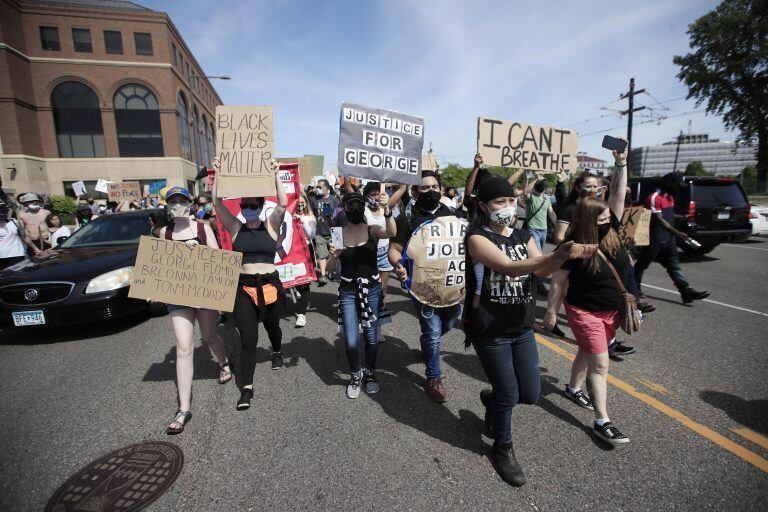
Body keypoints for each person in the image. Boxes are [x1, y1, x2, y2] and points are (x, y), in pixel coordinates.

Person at [465, 175, 596, 486]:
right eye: (500, 202)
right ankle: (502, 447)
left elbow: (539, 269)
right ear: (484, 206)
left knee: (530, 394)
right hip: (491, 328)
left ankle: (494, 400)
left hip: (521, 327)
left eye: (511, 200)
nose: (508, 207)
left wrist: (558, 257)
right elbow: (508, 268)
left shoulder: (523, 235)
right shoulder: (477, 238)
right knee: (510, 393)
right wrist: (557, 254)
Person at [544, 194, 634, 445]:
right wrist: (551, 312)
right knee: (600, 364)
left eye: (608, 217)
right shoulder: (574, 247)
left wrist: (622, 163)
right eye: (602, 219)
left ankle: (573, 388)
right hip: (585, 312)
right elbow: (557, 281)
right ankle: (602, 421)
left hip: (612, 311)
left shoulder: (612, 234)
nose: (608, 221)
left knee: (587, 350)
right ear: (588, 222)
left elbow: (617, 196)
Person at [156, 186, 231, 435]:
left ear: (190, 203)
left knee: (208, 337)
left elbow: (217, 257)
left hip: (203, 291)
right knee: (184, 346)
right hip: (178, 295)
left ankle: (224, 362)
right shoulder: (164, 233)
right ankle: (184, 408)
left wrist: (198, 250)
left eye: (182, 200)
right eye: (173, 201)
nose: (177, 204)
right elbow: (158, 265)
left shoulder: (201, 228)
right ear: (167, 205)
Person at [214, 158, 287, 410]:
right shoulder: (235, 227)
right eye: (244, 205)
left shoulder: (271, 225)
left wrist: (276, 174)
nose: (248, 208)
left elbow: (284, 203)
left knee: (272, 327)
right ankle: (247, 388)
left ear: (261, 205)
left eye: (253, 204)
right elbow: (217, 204)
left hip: (269, 286)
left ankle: (277, 350)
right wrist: (218, 173)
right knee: (248, 337)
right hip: (243, 288)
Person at [389, 171, 463, 403]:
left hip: (452, 287)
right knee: (431, 331)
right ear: (415, 192)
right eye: (424, 188)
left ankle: (429, 345)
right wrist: (398, 265)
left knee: (449, 322)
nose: (430, 191)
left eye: (434, 187)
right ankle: (434, 377)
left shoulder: (452, 215)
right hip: (422, 286)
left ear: (440, 189)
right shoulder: (407, 219)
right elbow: (395, 249)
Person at [331, 191, 396, 398]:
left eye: (359, 204)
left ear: (365, 207)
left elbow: (392, 232)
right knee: (351, 339)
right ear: (344, 209)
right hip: (348, 291)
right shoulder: (338, 233)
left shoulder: (373, 230)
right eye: (350, 205)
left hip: (373, 290)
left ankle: (369, 373)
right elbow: (331, 267)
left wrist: (387, 211)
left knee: (371, 336)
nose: (355, 208)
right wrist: (334, 256)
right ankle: (355, 374)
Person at [634, 173, 709, 304]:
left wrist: (681, 217)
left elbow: (667, 214)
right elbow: (660, 220)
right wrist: (678, 233)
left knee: (674, 266)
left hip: (668, 240)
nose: (678, 188)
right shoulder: (654, 198)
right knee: (641, 266)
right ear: (669, 183)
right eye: (677, 185)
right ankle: (634, 289)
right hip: (653, 240)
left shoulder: (670, 197)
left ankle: (686, 291)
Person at [363, 181, 407, 341]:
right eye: (372, 194)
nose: (375, 197)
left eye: (377, 194)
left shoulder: (385, 206)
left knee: (382, 291)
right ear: (366, 196)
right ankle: (366, 322)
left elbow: (402, 188)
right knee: (366, 291)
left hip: (383, 254)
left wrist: (394, 180)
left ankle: (378, 328)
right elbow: (348, 186)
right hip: (367, 254)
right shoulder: (362, 210)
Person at [311, 179, 341, 286]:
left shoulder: (335, 200)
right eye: (317, 187)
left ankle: (331, 272)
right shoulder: (314, 199)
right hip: (319, 231)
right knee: (321, 254)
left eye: (320, 187)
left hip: (335, 232)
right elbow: (310, 214)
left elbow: (340, 215)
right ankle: (323, 275)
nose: (318, 189)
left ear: (327, 188)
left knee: (335, 254)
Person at [294, 191, 316, 328]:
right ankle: (304, 299)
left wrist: (302, 222)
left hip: (306, 250)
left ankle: (302, 314)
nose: (300, 205)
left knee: (305, 282)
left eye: (303, 202)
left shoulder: (310, 217)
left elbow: (311, 235)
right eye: (298, 202)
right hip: (293, 252)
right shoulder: (289, 215)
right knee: (296, 281)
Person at [0, 201, 28, 270]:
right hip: (1, 256)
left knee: (18, 275)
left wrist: (35, 248)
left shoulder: (14, 222)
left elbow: (24, 236)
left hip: (16, 254)